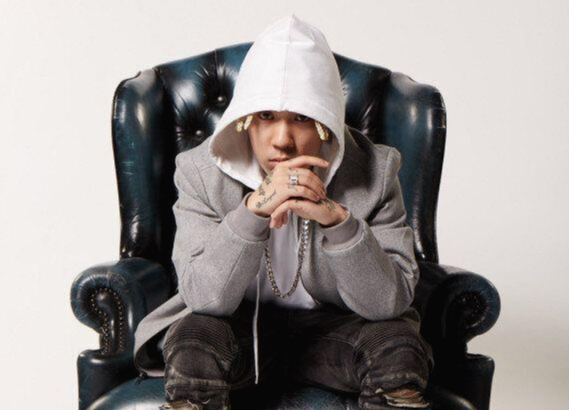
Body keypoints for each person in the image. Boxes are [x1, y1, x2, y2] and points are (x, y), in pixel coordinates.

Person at [132, 13, 435, 410]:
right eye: (266, 117)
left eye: (302, 119)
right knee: (193, 342)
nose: (282, 140)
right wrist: (251, 212)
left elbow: (387, 304)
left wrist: (339, 223)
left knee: (398, 349)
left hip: (338, 333)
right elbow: (204, 298)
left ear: (326, 125)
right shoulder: (200, 172)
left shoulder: (375, 171)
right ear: (244, 122)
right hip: (236, 334)